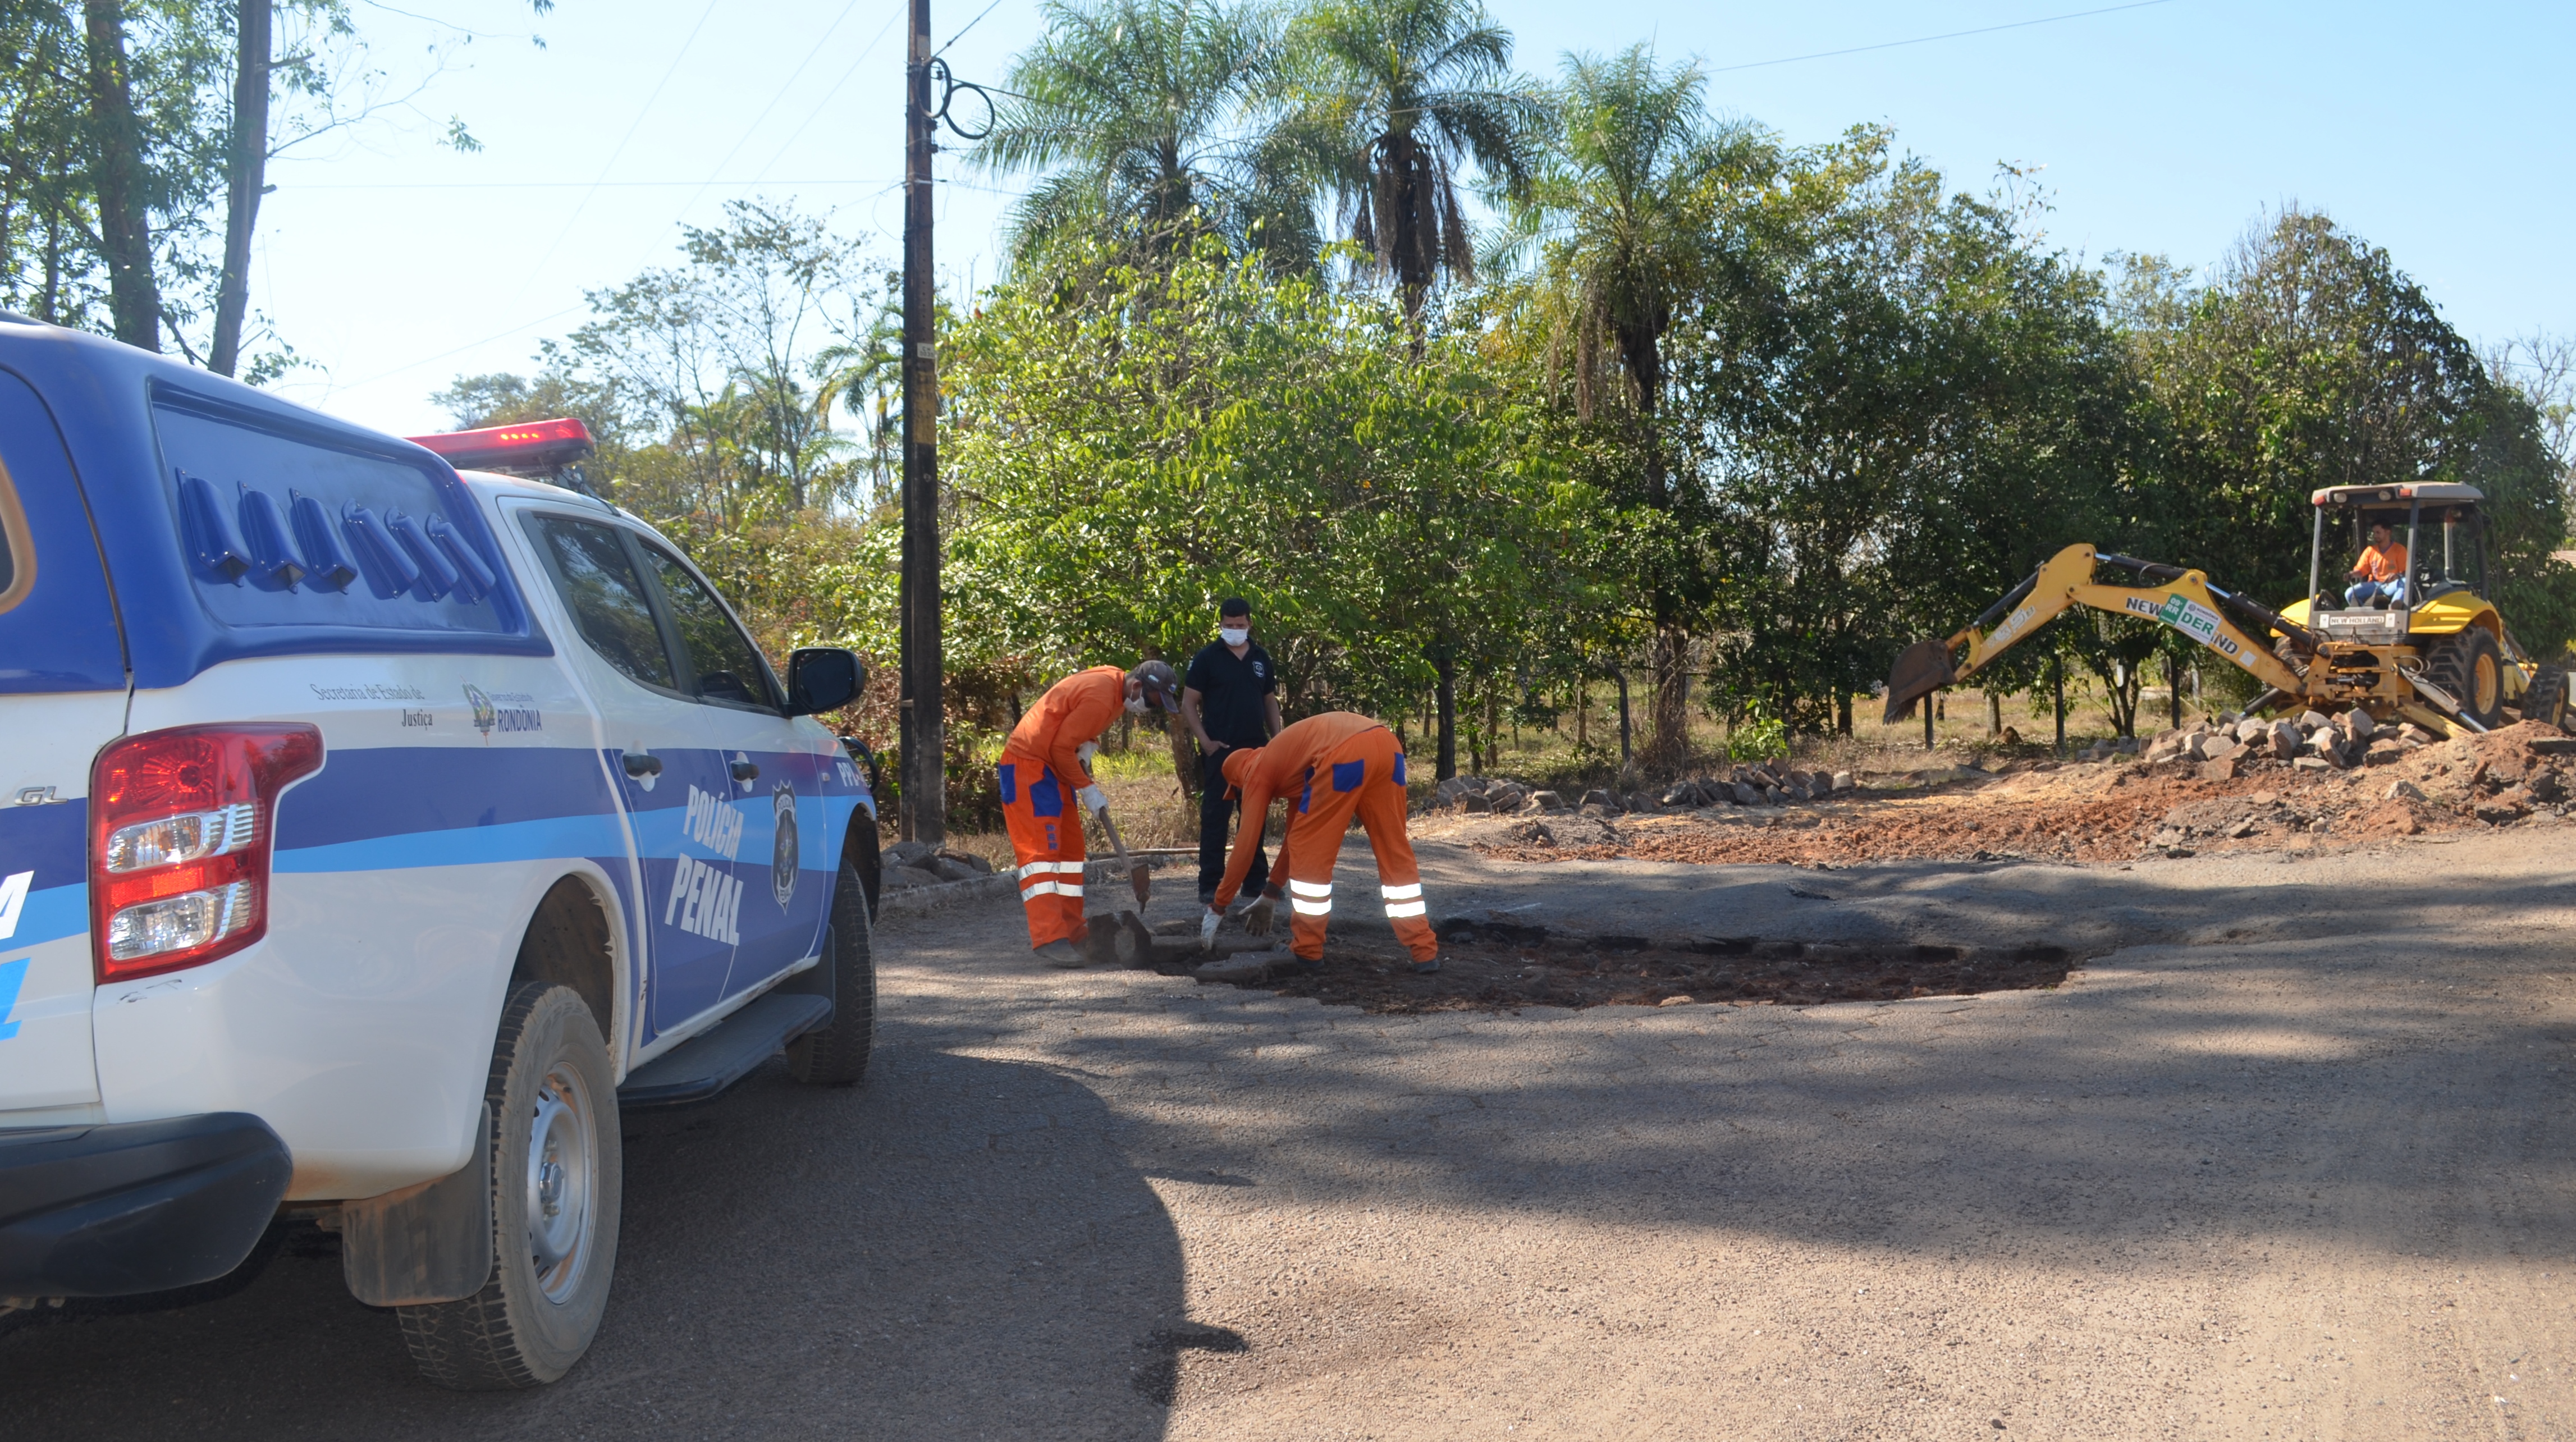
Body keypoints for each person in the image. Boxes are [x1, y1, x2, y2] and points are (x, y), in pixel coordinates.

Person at [1201, 711, 1438, 974]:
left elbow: (1246, 846)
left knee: (1311, 854)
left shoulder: (1255, 771)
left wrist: (1218, 906)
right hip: (1387, 746)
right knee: (1393, 848)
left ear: (1238, 780)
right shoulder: (1291, 763)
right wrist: (1270, 893)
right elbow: (1293, 837)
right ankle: (1424, 950)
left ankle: (1307, 950)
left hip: (1346, 754)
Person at [999, 660, 1184, 967]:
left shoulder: (1117, 690)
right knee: (1041, 856)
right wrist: (1087, 788)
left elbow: (1074, 726)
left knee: (1071, 853)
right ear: (1138, 686)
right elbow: (1060, 747)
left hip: (1054, 769)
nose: (1150, 709)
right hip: (1029, 767)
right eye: (1153, 701)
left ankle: (1073, 931)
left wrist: (1087, 746)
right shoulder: (1102, 695)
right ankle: (1049, 938)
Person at [1181, 597, 1284, 907]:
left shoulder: (1260, 657)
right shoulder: (1207, 658)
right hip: (1220, 753)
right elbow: (1188, 703)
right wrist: (1206, 742)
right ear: (1221, 624)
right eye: (1229, 625)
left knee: (1254, 817)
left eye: (1240, 625)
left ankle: (1254, 882)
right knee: (1216, 817)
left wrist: (1278, 742)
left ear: (1249, 624)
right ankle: (1210, 884)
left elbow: (1269, 701)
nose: (1235, 630)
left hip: (1257, 752)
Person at [2346, 523, 2410, 608]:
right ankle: (2366, 613)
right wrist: (2351, 574)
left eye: (2378, 532)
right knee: (2350, 593)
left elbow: (2405, 572)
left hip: (2393, 584)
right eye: (2374, 533)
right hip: (2375, 585)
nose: (2375, 535)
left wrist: (2396, 576)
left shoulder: (2400, 550)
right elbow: (2361, 570)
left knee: (2406, 582)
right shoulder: (2370, 551)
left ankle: (2394, 608)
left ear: (2388, 532)